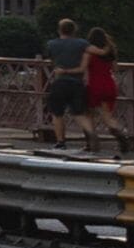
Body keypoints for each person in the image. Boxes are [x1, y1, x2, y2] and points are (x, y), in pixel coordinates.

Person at [40, 17, 91, 146]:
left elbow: (52, 60)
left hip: (60, 81)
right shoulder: (83, 44)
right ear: (74, 30)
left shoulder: (52, 44)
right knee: (79, 112)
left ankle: (60, 141)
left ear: (59, 30)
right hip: (77, 82)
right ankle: (90, 136)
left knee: (57, 113)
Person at [82, 27, 124, 153]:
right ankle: (119, 134)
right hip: (109, 84)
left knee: (87, 114)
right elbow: (115, 69)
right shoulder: (109, 52)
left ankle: (91, 141)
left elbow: (84, 70)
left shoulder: (89, 52)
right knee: (107, 116)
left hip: (94, 85)